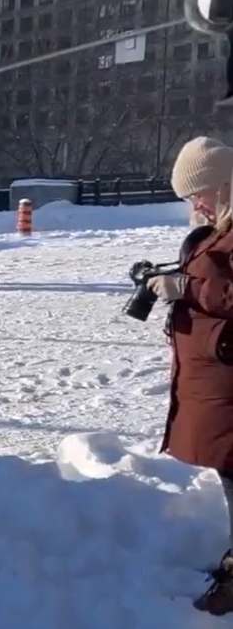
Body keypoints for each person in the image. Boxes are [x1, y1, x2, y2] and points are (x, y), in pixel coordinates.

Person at [147, 136, 233, 615]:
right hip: (216, 379)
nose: (194, 205)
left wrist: (187, 287)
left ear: (225, 185)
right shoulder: (217, 231)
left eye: (198, 194)